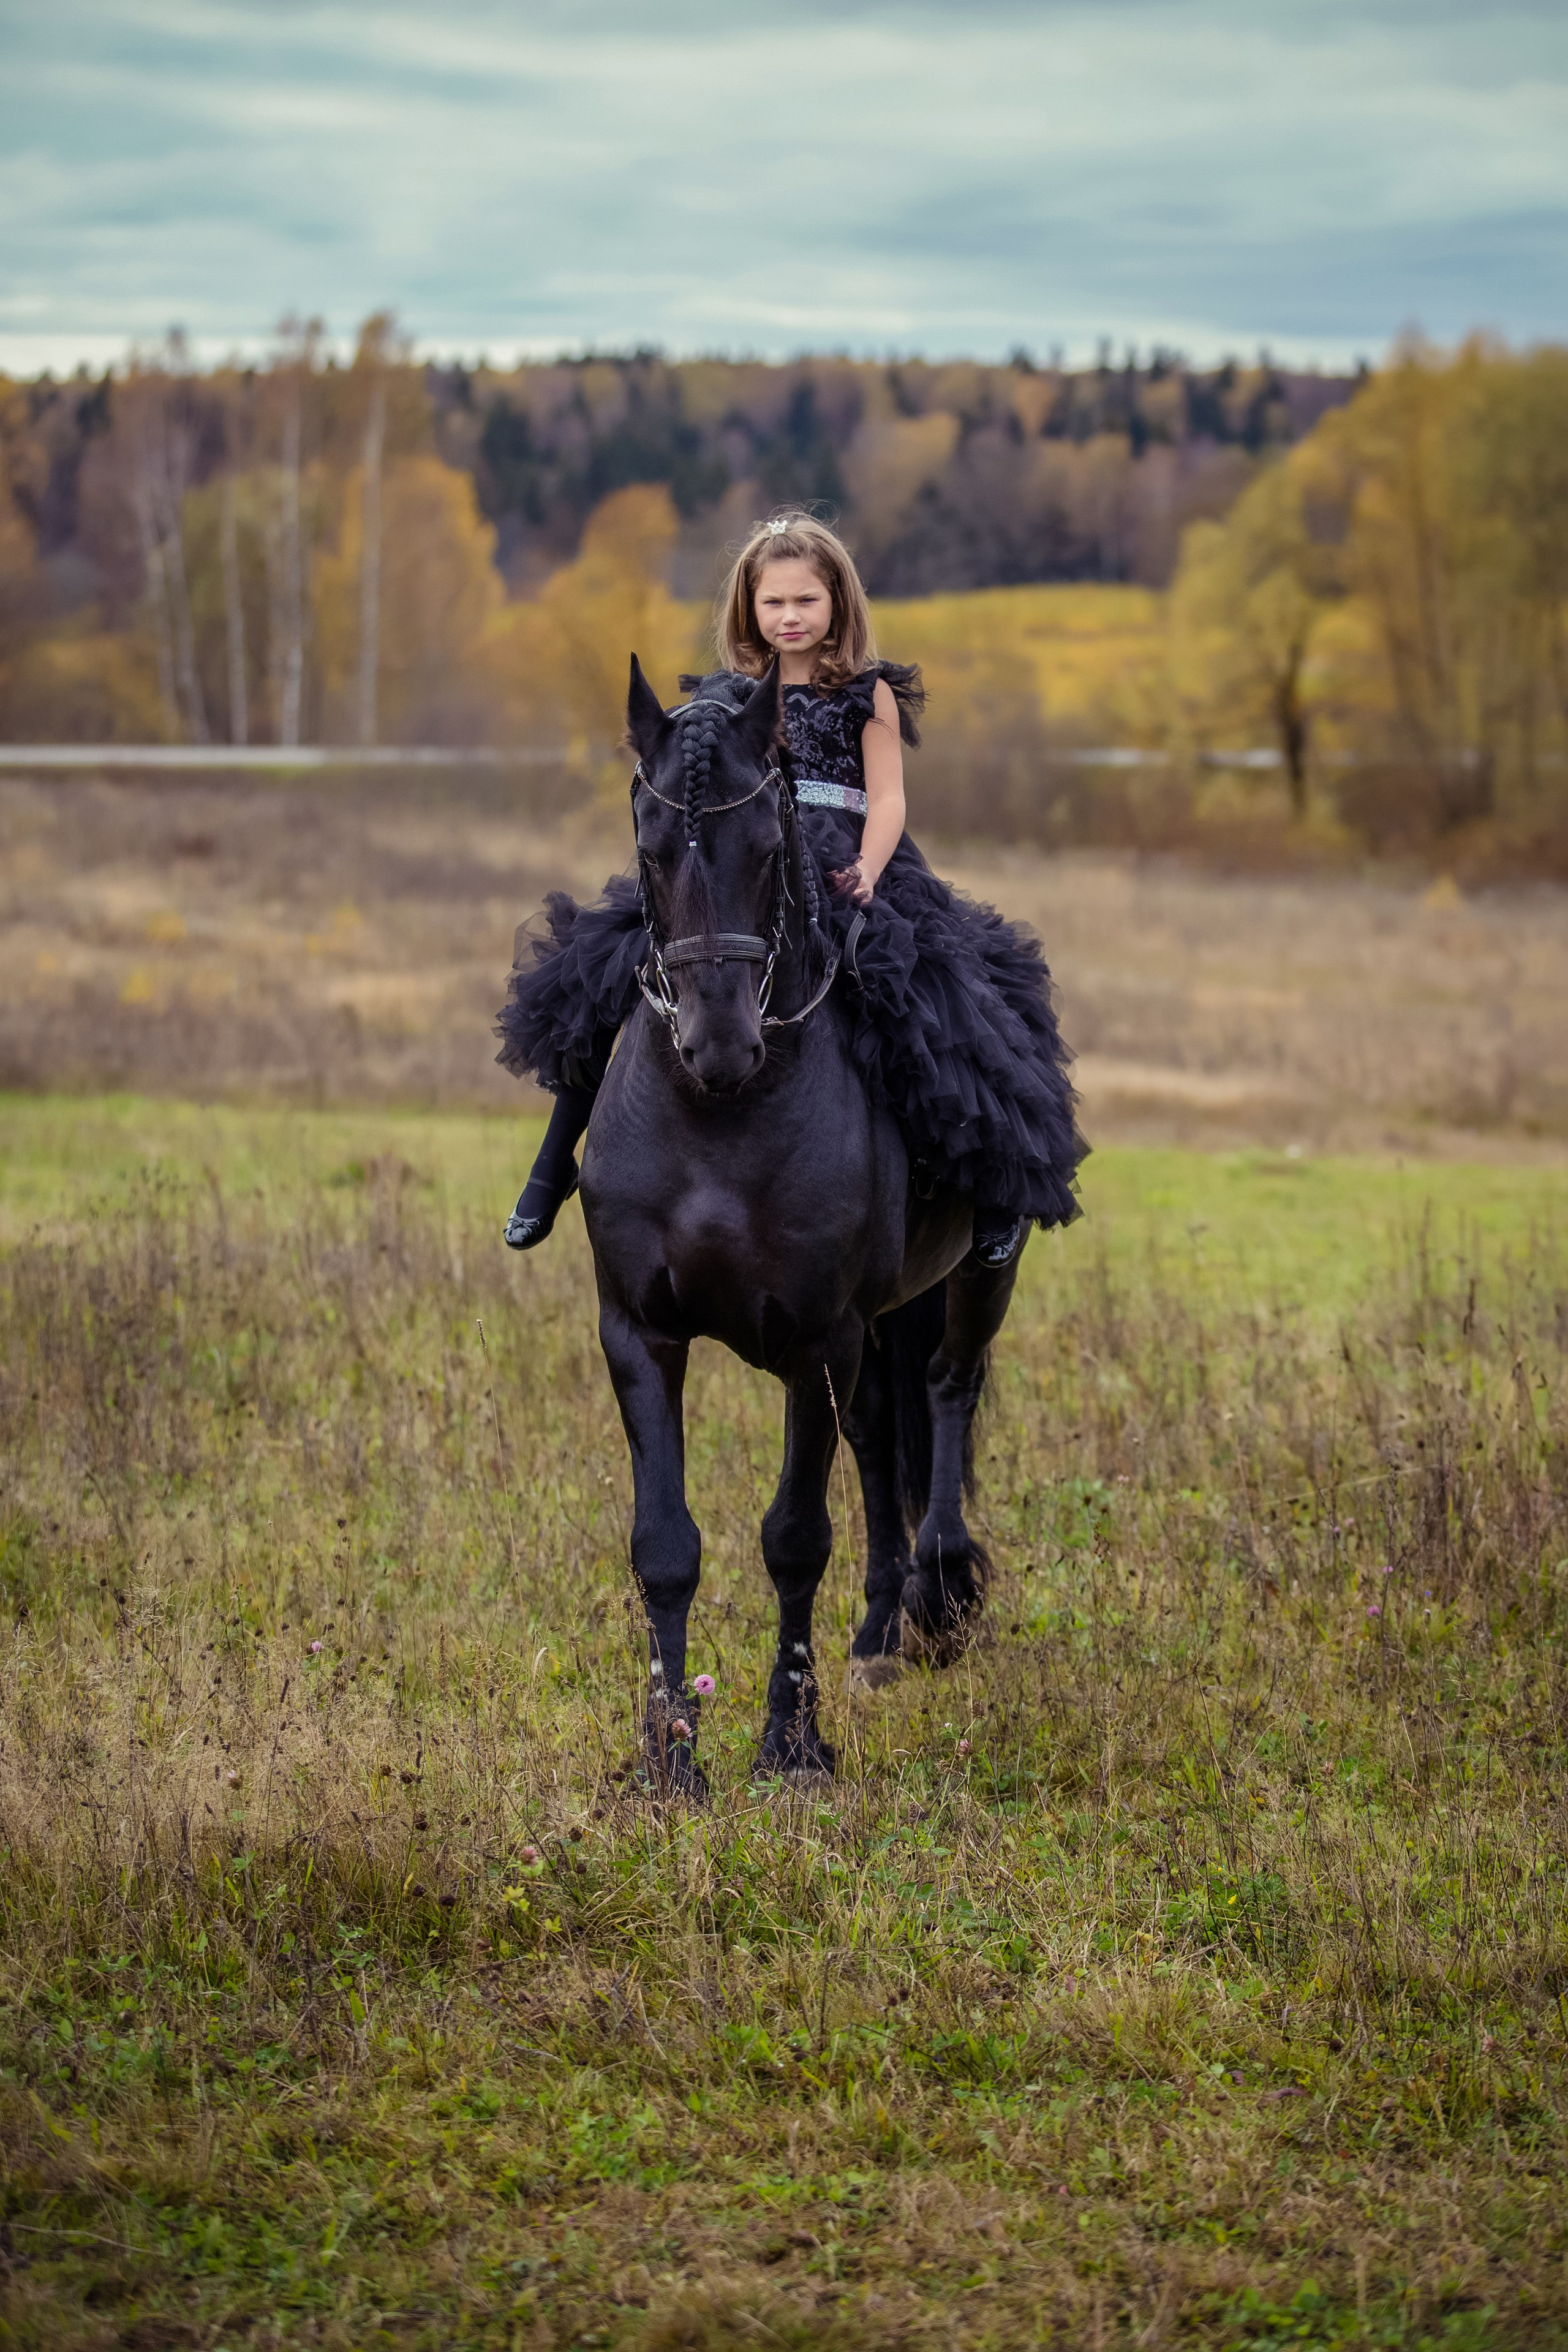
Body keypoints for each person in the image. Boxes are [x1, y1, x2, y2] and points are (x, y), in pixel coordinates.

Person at [496, 509, 1085, 1259]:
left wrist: (868, 869)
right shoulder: (723, 696)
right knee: (603, 971)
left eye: (805, 600)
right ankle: (554, 1164)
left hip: (846, 861)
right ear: (749, 609)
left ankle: (993, 1186)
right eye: (772, 602)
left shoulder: (865, 694)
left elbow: (891, 798)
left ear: (838, 601)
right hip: (744, 866)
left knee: (947, 997)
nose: (789, 616)